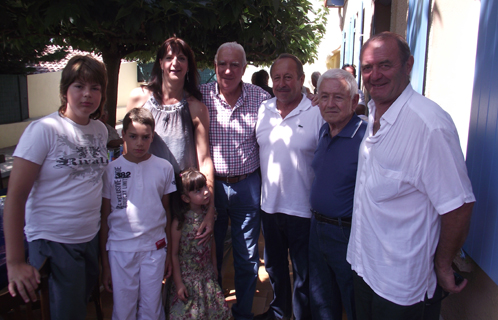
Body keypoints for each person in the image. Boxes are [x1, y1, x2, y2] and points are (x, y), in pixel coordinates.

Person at [346, 32, 475, 320]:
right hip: (364, 265)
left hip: (402, 287)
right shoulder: (375, 111)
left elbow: (459, 206)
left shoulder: (429, 126)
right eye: (367, 68)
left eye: (385, 65)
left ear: (408, 66)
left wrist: (442, 265)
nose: (374, 75)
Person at [3, 55, 108, 319]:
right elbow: (15, 198)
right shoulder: (43, 130)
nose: (87, 94)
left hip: (88, 239)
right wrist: (15, 262)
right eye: (79, 86)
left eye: (95, 87)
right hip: (54, 243)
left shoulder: (100, 131)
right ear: (64, 91)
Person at [199, 42, 271, 320]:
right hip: (211, 186)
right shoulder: (201, 95)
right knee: (210, 252)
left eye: (235, 65)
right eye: (222, 64)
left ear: (244, 67)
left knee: (247, 255)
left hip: (247, 185)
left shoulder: (261, 98)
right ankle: (215, 309)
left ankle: (242, 313)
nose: (228, 70)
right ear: (215, 65)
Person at [126, 37, 215, 245]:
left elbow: (204, 159)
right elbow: (127, 153)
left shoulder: (196, 108)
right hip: (146, 196)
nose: (175, 63)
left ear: (188, 66)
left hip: (184, 198)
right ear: (160, 63)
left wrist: (210, 208)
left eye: (181, 58)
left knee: (181, 264)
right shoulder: (139, 98)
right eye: (168, 57)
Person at [255, 53, 323, 320]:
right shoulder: (265, 109)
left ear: (301, 79)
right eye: (277, 78)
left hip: (303, 210)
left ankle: (301, 315)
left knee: (304, 272)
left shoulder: (317, 111)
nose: (282, 83)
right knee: (274, 267)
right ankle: (280, 313)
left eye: (288, 77)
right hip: (269, 207)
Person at [100, 108, 176, 320]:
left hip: (154, 248)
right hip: (120, 250)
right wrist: (105, 264)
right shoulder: (111, 170)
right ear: (123, 135)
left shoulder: (164, 168)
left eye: (145, 137)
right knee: (124, 309)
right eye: (133, 136)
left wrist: (169, 253)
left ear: (153, 137)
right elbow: (105, 218)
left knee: (152, 309)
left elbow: (167, 210)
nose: (139, 143)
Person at [309, 69, 367, 320]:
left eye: (339, 97)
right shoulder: (324, 131)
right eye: (324, 97)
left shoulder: (366, 138)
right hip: (316, 228)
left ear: (354, 101)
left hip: (346, 233)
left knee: (352, 300)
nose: (330, 104)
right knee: (322, 300)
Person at [169, 168, 231, 320]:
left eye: (205, 187)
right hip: (187, 279)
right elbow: (174, 254)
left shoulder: (208, 215)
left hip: (207, 275)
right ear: (185, 198)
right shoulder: (179, 223)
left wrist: (215, 266)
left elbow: (212, 241)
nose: (205, 192)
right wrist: (178, 283)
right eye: (198, 190)